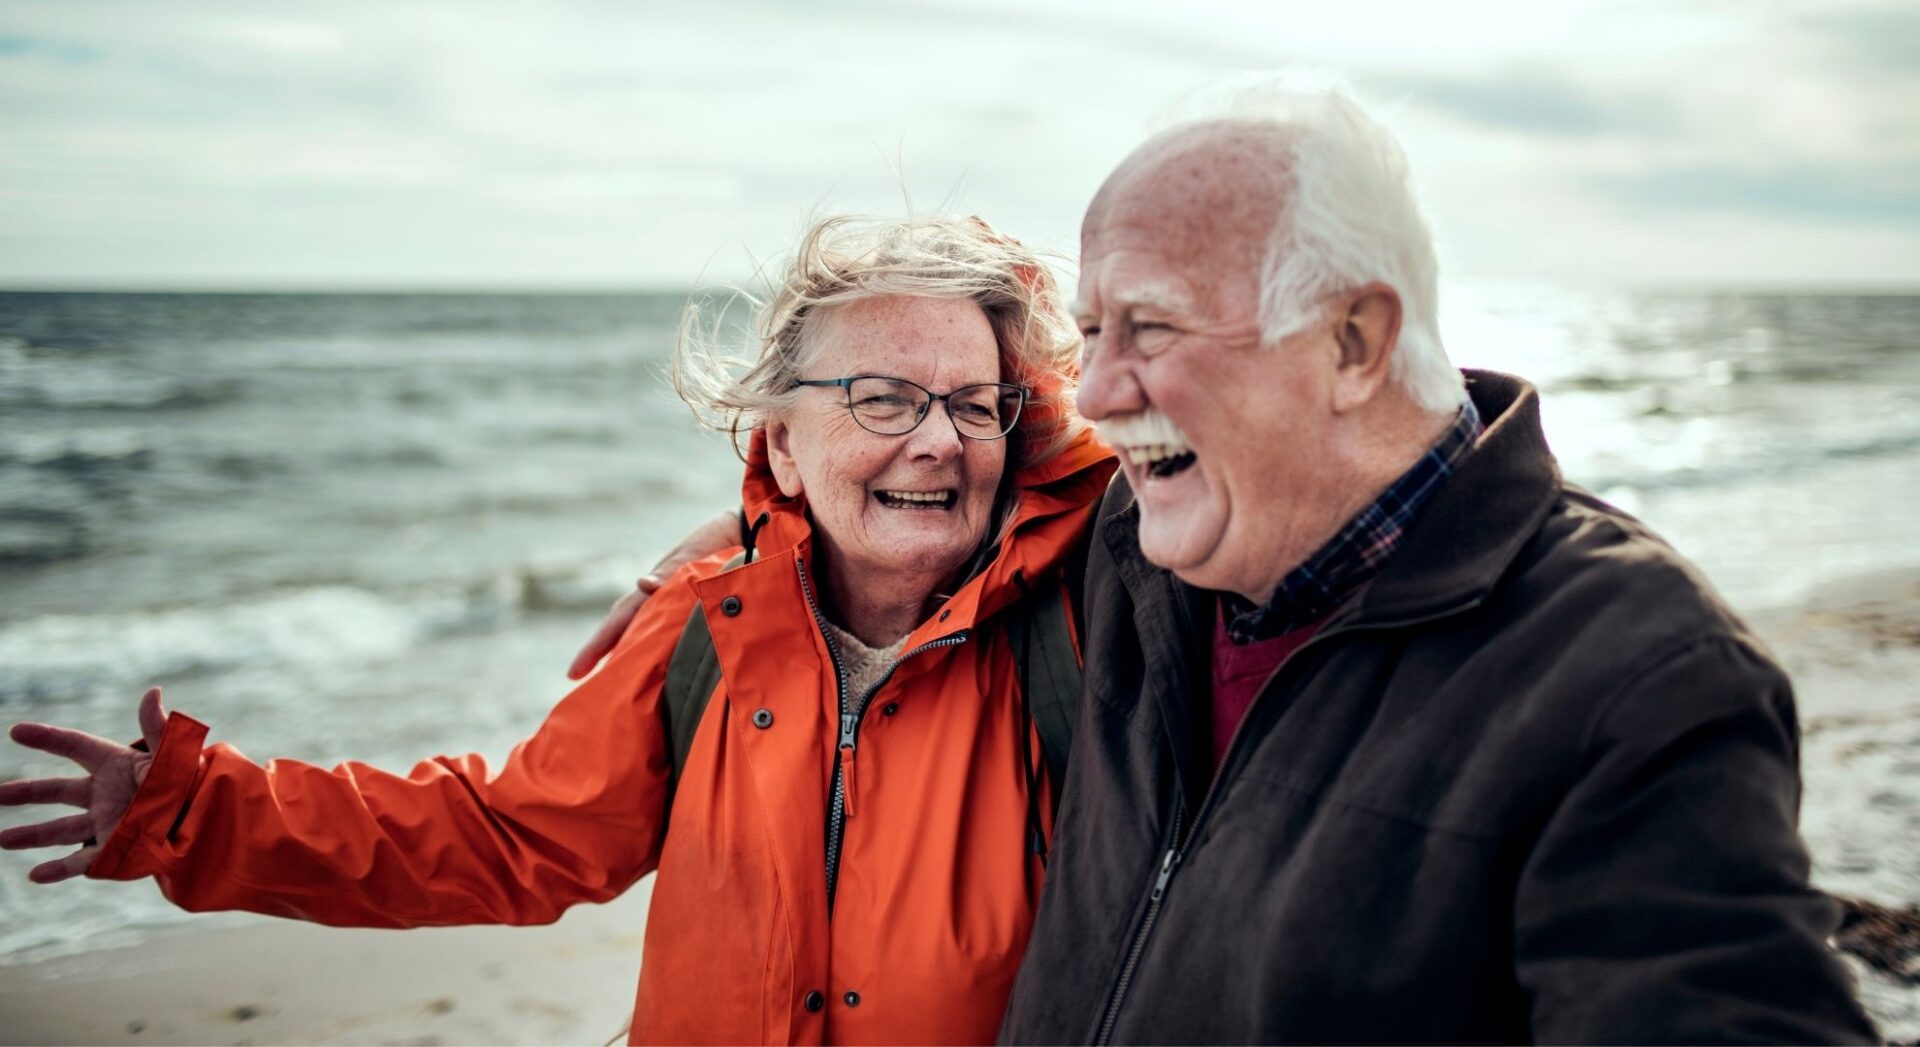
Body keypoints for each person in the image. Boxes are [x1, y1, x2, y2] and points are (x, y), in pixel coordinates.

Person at [575, 84, 1879, 1042]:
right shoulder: (1142, 556)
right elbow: (935, 457)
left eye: (1149, 325)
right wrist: (765, 522)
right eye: (1087, 332)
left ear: (1355, 342)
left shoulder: (1631, 677)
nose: (1095, 386)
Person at [0, 213, 1117, 1045]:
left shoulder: (1089, 625)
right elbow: (506, 838)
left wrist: (1021, 368)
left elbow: (1169, 465)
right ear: (776, 444)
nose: (938, 441)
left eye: (976, 404)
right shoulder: (702, 631)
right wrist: (199, 811)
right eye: (882, 397)